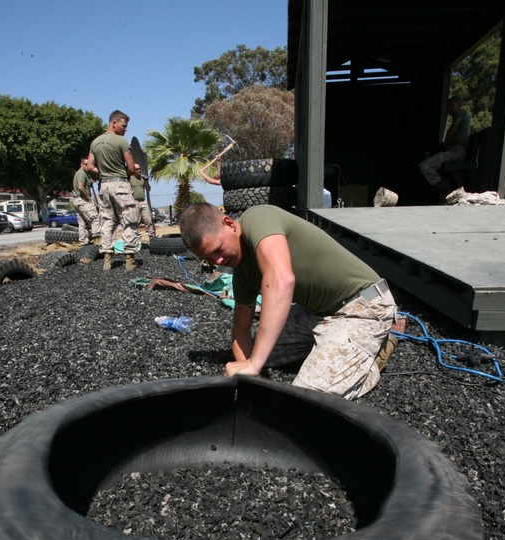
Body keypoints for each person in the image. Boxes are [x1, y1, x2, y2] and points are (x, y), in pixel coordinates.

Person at [179, 203, 405, 401]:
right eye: (208, 259)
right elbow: (240, 330)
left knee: (306, 398)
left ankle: (374, 356)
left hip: (361, 306)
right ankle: (332, 346)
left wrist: (253, 364)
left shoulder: (258, 218)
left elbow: (282, 280)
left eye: (217, 250)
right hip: (316, 313)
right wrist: (252, 378)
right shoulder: (241, 272)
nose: (218, 261)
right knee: (258, 355)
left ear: (229, 223)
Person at [86, 110, 141, 271]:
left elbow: (89, 166)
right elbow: (131, 167)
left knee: (107, 221)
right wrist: (124, 173)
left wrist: (102, 173)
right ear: (113, 123)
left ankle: (107, 259)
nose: (126, 129)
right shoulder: (121, 141)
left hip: (104, 186)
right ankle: (130, 259)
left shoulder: (95, 142)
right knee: (129, 218)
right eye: (124, 125)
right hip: (120, 184)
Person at [418, 95, 471, 198]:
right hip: (454, 151)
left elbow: (454, 125)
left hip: (457, 151)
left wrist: (445, 143)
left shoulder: (460, 113)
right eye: (448, 106)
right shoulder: (462, 115)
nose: (450, 108)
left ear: (460, 105)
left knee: (425, 166)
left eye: (453, 105)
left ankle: (446, 192)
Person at [73, 157, 100, 246]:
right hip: (82, 199)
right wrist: (88, 196)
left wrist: (89, 182)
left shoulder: (82, 174)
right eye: (86, 165)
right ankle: (97, 239)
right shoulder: (81, 174)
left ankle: (83, 242)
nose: (88, 167)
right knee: (95, 218)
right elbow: (80, 187)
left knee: (83, 222)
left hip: (77, 200)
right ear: (82, 164)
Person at [129, 164, 154, 240]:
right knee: (137, 221)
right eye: (137, 169)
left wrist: (147, 181)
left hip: (143, 201)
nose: (139, 170)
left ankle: (151, 236)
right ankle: (138, 238)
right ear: (133, 170)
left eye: (139, 169)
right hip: (134, 202)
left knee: (148, 219)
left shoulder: (142, 178)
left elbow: (148, 189)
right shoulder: (129, 178)